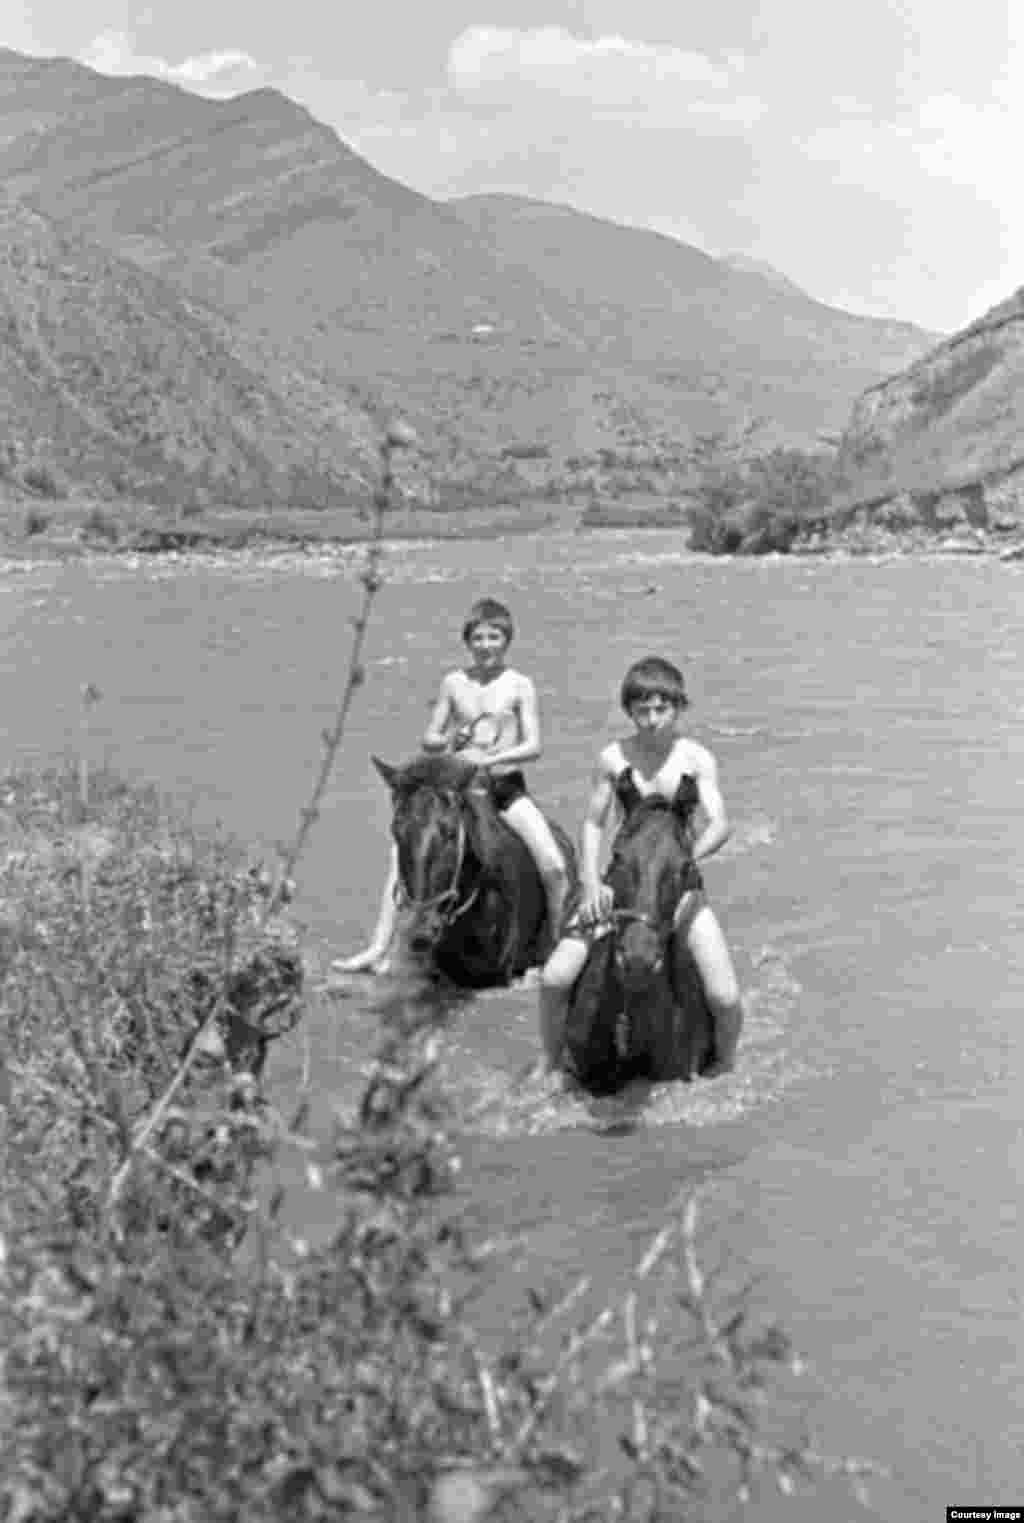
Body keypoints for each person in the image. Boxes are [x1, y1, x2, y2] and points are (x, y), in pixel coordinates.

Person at [333, 597, 570, 974]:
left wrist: (491, 759)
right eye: (479, 638)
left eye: (494, 637)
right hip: (458, 790)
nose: (486, 645)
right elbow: (431, 735)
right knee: (402, 858)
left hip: (505, 789)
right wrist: (447, 739)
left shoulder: (520, 685)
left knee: (554, 865)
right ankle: (378, 948)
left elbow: (534, 745)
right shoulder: (453, 683)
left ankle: (554, 944)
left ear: (507, 640)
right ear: (468, 641)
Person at [538, 655, 744, 1078]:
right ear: (629, 711)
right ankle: (551, 1061)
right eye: (641, 710)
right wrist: (591, 882)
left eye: (661, 709)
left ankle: (725, 1064)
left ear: (678, 707)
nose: (651, 720)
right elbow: (594, 823)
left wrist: (686, 861)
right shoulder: (613, 758)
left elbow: (720, 823)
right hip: (622, 885)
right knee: (555, 978)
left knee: (724, 997)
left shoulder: (697, 759)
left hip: (679, 889)